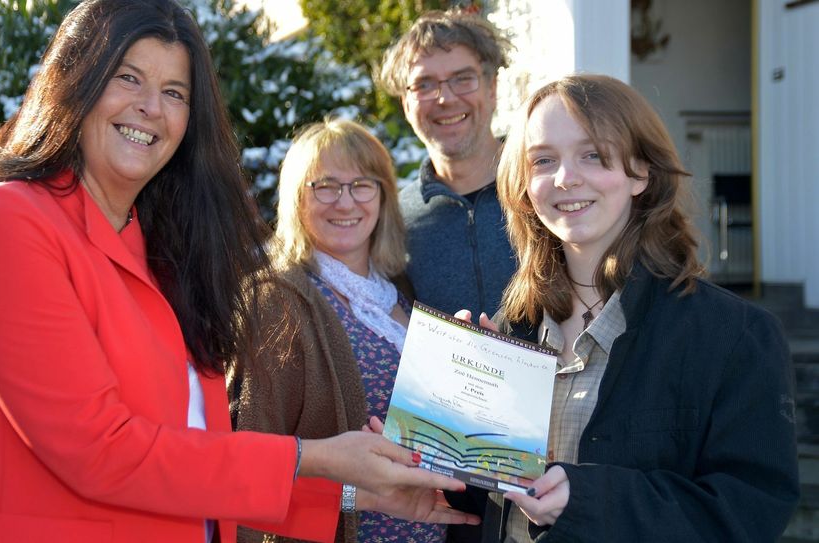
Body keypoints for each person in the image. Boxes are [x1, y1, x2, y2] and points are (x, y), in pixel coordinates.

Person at [0, 1, 479, 541]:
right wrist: (317, 456)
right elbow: (99, 452)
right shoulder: (3, 222)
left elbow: (194, 455)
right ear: (74, 82)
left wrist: (357, 494)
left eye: (174, 92)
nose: (151, 107)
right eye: (128, 77)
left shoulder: (163, 250)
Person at [463, 73, 798, 541]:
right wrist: (456, 407)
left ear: (640, 172)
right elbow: (486, 503)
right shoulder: (510, 330)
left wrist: (590, 498)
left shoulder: (733, 337)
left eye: (593, 155)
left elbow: (749, 511)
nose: (564, 178)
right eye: (543, 160)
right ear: (523, 183)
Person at [228, 118, 447, 543]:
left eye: (362, 184)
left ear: (383, 196)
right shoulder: (277, 301)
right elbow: (246, 466)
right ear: (297, 200)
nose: (345, 202)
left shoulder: (400, 296)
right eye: (325, 186)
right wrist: (350, 496)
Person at [378, 8, 516, 319]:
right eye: (425, 84)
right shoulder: (395, 220)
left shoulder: (543, 191)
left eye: (462, 79)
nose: (445, 98)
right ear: (405, 103)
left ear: (491, 88)